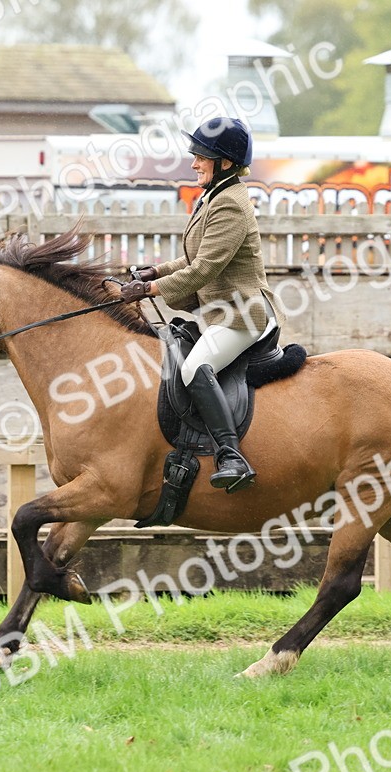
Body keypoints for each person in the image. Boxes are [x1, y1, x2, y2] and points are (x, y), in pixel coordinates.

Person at [119, 117, 285, 493]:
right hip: (223, 312)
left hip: (243, 315)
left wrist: (150, 290)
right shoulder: (215, 196)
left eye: (201, 157)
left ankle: (231, 456)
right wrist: (152, 272)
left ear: (225, 162)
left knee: (194, 367)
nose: (194, 163)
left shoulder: (230, 206)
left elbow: (205, 269)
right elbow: (193, 258)